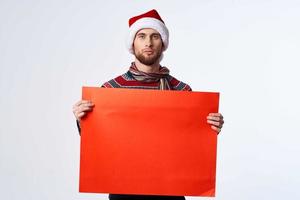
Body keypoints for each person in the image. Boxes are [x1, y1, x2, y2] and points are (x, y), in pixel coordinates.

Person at [72, 9, 224, 200]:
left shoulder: (182, 91)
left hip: (170, 191)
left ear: (163, 44)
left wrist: (211, 127)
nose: (148, 43)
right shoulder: (110, 90)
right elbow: (99, 141)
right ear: (133, 43)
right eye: (141, 36)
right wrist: (82, 119)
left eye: (155, 36)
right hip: (123, 190)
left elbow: (191, 144)